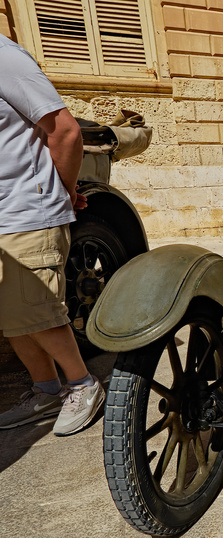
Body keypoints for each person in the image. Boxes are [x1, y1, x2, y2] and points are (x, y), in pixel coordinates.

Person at [0, 34, 105, 435]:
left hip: (26, 212)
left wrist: (62, 192)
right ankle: (45, 390)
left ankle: (83, 384)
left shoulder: (5, 58)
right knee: (13, 317)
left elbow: (65, 131)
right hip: (5, 212)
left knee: (39, 310)